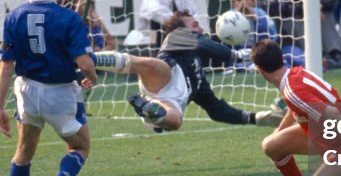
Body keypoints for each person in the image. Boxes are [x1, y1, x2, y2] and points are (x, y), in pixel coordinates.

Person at [0, 0, 98, 176]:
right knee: (80, 146)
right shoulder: (68, 18)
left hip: (27, 91)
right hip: (60, 93)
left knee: (24, 150)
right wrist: (92, 78)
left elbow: (6, 66)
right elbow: (85, 62)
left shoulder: (14, 16)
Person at [92, 11, 283, 131]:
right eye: (194, 24)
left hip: (171, 99)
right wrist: (238, 56)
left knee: (176, 121)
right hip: (164, 74)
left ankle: (153, 113)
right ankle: (93, 59)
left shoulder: (197, 74)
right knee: (151, 65)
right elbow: (203, 43)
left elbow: (216, 109)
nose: (200, 28)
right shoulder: (176, 36)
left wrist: (256, 118)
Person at [250, 39, 341, 176]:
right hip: (326, 134)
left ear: (259, 70)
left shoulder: (292, 91)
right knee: (271, 144)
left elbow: (332, 114)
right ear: (281, 59)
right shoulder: (293, 76)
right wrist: (280, 130)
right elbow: (297, 107)